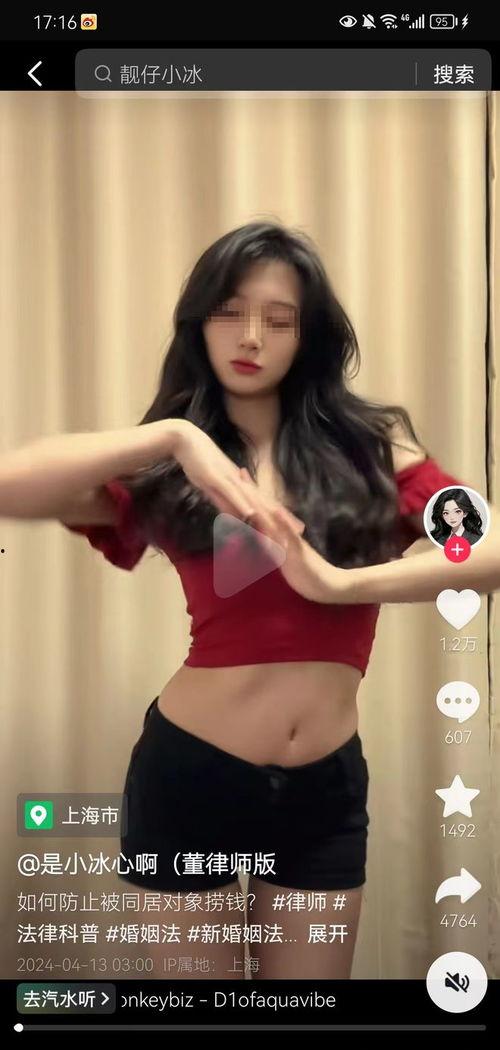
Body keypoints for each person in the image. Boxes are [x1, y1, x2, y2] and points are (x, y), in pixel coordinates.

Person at [4, 220, 497, 981]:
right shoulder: (172, 471)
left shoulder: (374, 449)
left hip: (325, 789)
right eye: (231, 312)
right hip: (190, 775)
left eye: (279, 319)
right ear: (199, 322)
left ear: (308, 335)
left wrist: (340, 583)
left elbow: (487, 549)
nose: (252, 337)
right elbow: (13, 484)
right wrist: (173, 437)